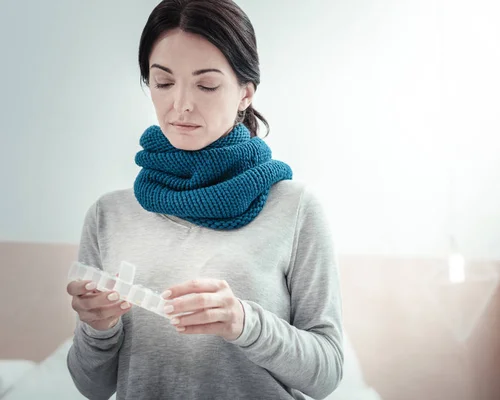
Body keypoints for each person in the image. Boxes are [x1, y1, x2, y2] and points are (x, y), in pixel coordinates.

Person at [65, 0, 344, 399]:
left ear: (245, 93)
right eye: (163, 83)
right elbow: (92, 387)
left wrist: (244, 322)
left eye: (206, 84)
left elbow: (327, 374)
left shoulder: (295, 209)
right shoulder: (109, 215)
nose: (181, 105)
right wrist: (99, 328)